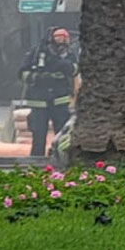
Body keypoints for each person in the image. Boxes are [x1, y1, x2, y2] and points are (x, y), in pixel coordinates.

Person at [19, 28, 78, 157]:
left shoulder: (69, 54)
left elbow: (75, 70)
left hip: (60, 102)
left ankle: (61, 161)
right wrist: (40, 78)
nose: (62, 40)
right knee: (38, 137)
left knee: (62, 137)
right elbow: (22, 73)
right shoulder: (36, 53)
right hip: (39, 102)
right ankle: (36, 163)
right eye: (58, 37)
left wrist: (65, 65)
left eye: (64, 37)